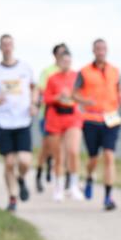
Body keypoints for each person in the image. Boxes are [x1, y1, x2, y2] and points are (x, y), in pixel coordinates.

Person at [0, 33, 37, 211]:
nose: (7, 47)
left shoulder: (25, 68)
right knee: (9, 162)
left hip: (22, 120)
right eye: (4, 44)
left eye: (9, 44)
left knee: (25, 161)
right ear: (0, 48)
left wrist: (34, 104)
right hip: (4, 121)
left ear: (13, 46)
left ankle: (21, 178)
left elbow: (34, 89)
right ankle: (12, 198)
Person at [74, 39, 121, 211]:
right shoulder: (84, 71)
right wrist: (85, 101)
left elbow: (118, 89)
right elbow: (74, 94)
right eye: (98, 49)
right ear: (93, 51)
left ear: (107, 50)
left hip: (111, 119)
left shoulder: (114, 71)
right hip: (91, 119)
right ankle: (89, 176)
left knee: (109, 156)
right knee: (93, 158)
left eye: (103, 48)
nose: (101, 51)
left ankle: (108, 197)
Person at [42, 48, 85, 202]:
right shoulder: (52, 78)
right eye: (63, 61)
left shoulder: (77, 77)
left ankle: (73, 186)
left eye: (68, 61)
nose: (66, 63)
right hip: (55, 118)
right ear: (58, 62)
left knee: (73, 151)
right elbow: (46, 98)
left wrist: (74, 97)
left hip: (72, 117)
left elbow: (83, 95)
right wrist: (57, 97)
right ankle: (58, 188)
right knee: (58, 155)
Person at [36, 43, 68, 192]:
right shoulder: (47, 72)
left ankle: (63, 177)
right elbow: (41, 91)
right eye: (61, 53)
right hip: (49, 115)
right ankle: (40, 173)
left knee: (65, 148)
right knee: (47, 148)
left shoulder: (71, 72)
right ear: (55, 55)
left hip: (66, 115)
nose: (63, 55)